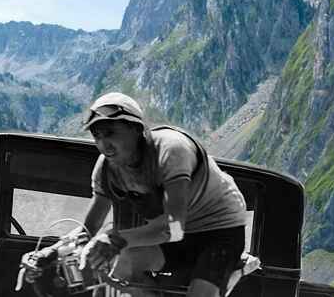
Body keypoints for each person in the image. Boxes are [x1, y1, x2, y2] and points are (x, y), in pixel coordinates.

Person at [71, 92, 249, 297]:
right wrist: (52, 252)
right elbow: (88, 229)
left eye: (110, 133)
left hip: (219, 230)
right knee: (124, 264)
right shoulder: (106, 168)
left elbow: (173, 229)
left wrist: (115, 239)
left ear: (136, 129)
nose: (104, 145)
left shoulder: (171, 150)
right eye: (97, 136)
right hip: (176, 233)